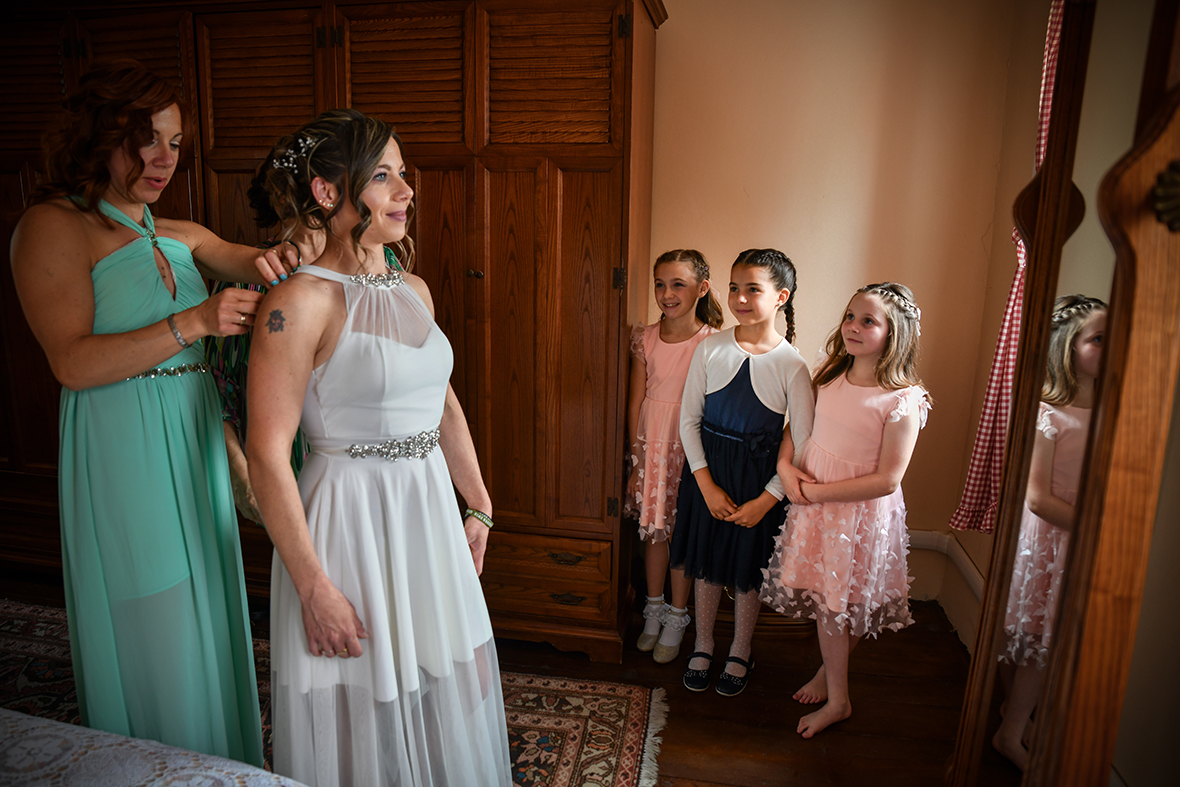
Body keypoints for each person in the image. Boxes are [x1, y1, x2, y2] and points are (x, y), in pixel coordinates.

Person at [9, 60, 294, 764]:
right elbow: (70, 362)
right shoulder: (51, 227)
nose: (163, 158)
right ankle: (157, 767)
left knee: (208, 597)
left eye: (173, 141)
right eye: (145, 138)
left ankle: (221, 767)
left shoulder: (183, 234)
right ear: (100, 135)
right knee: (154, 614)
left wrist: (298, 248)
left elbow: (259, 261)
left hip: (192, 435)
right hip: (124, 443)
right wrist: (195, 321)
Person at [247, 109, 511, 786]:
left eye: (404, 174)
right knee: (358, 703)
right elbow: (268, 455)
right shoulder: (297, 303)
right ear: (330, 192)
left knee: (458, 674)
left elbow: (442, 400)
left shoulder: (411, 285)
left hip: (425, 514)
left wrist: (478, 505)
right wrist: (313, 587)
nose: (407, 190)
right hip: (347, 524)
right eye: (384, 175)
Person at [760, 282, 930, 739]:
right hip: (815, 505)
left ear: (895, 334)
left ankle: (838, 699)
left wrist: (814, 495)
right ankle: (831, 674)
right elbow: (800, 425)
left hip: (855, 514)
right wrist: (784, 465)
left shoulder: (902, 400)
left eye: (868, 321)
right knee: (830, 601)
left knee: (844, 602)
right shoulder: (830, 374)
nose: (853, 327)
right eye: (850, 316)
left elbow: (887, 479)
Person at [669, 248, 815, 697]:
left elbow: (803, 444)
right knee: (708, 563)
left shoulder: (793, 366)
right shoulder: (711, 348)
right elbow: (688, 420)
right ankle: (706, 642)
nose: (740, 298)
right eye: (734, 287)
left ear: (781, 297)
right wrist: (705, 484)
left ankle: (741, 647)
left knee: (746, 569)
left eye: (753, 288)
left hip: (757, 484)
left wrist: (768, 498)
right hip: (707, 477)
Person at [991, 295, 1105, 771]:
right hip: (1053, 539)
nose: (1112, 346)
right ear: (1067, 348)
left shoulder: (1110, 408)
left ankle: (1017, 717)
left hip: (1082, 536)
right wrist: (1097, 528)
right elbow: (1036, 497)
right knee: (1040, 640)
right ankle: (1011, 733)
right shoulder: (1049, 414)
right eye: (1099, 338)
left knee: (1050, 642)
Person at [205, 142, 328, 522]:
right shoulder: (249, 277)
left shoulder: (376, 268)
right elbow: (220, 385)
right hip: (284, 466)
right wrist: (240, 473)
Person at [626, 249, 723, 663]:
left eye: (678, 284)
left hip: (689, 448)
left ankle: (677, 616)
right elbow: (635, 403)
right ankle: (652, 611)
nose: (667, 294)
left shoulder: (712, 343)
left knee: (680, 532)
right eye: (660, 284)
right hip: (651, 445)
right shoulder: (644, 337)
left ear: (701, 289)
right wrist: (634, 459)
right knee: (655, 531)